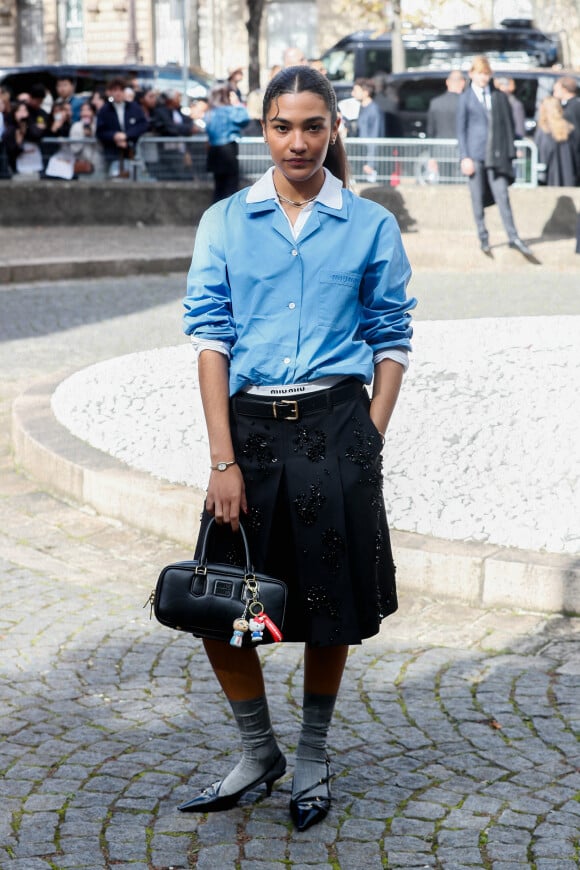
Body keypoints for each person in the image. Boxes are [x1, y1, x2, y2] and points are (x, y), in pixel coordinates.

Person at [180, 65, 416, 832]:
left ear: (335, 129)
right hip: (247, 435)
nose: (298, 141)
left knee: (329, 609)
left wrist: (368, 438)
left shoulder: (370, 223)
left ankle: (311, 755)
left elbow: (392, 338)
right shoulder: (225, 221)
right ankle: (259, 751)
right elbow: (210, 340)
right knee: (220, 607)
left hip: (336, 429)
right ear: (263, 130)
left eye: (313, 126)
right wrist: (223, 460)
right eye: (283, 126)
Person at [457, 55, 533, 257]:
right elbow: (461, 130)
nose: (483, 78)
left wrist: (511, 147)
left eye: (486, 74)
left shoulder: (498, 96)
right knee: (477, 198)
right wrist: (465, 156)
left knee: (503, 195)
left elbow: (507, 124)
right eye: (480, 73)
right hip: (475, 155)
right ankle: (483, 237)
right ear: (472, 74)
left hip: (496, 154)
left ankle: (513, 237)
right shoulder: (465, 98)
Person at [204, 84, 249, 202]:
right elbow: (244, 119)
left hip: (214, 150)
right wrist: (237, 104)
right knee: (231, 186)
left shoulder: (210, 112)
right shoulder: (229, 111)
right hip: (227, 149)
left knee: (218, 187)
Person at [96, 78, 149, 176]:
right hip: (111, 152)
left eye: (121, 90)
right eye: (115, 90)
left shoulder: (134, 107)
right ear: (110, 92)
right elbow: (100, 131)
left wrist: (126, 135)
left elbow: (143, 125)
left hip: (132, 150)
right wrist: (114, 136)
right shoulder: (104, 110)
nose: (118, 93)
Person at [534, 95, 578, 186]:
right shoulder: (569, 129)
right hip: (569, 175)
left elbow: (541, 155)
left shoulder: (543, 131)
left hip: (549, 177)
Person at [151, 89, 194, 179]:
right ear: (170, 99)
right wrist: (187, 129)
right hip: (169, 150)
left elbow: (188, 122)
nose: (180, 100)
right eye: (178, 97)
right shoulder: (161, 111)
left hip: (181, 149)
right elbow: (170, 128)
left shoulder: (177, 111)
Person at [351, 78, 384, 183]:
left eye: (356, 90)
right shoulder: (361, 108)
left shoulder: (374, 110)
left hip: (369, 163)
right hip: (361, 159)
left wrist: (371, 163)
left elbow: (375, 137)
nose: (352, 94)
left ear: (366, 92)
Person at [553, 76, 580, 184]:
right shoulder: (575, 104)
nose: (554, 93)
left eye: (556, 90)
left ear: (564, 89)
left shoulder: (570, 109)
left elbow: (575, 134)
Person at [427, 69, 466, 139]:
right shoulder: (466, 102)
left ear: (447, 82)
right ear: (462, 83)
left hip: (440, 146)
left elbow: (430, 130)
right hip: (460, 147)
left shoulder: (435, 102)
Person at [69, 100, 105, 176]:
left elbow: (102, 146)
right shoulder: (76, 126)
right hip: (82, 162)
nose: (85, 113)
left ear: (93, 112)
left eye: (88, 110)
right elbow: (74, 148)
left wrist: (92, 135)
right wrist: (84, 136)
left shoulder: (99, 125)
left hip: (98, 162)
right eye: (83, 110)